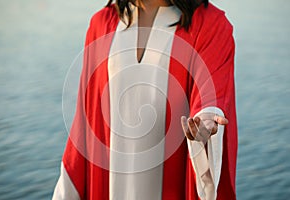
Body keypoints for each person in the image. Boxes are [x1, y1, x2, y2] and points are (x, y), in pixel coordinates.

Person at [52, 0, 237, 199]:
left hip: (171, 185)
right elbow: (85, 117)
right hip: (112, 182)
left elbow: (212, 93)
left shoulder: (210, 24)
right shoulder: (102, 24)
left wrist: (206, 120)